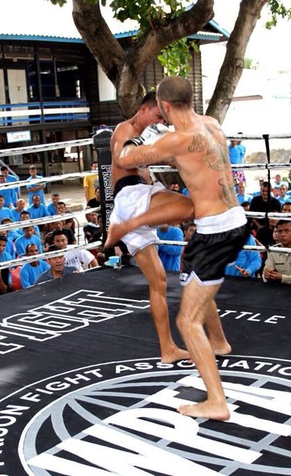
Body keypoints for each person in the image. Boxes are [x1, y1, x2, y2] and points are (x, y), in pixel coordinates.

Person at [112, 76, 249, 420]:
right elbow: (196, 163)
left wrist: (137, 132)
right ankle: (219, 343)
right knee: (193, 283)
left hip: (216, 231)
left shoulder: (176, 139)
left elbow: (125, 157)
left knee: (187, 321)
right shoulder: (212, 124)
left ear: (166, 107)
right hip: (232, 220)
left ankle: (217, 401)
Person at [101, 90, 193, 364]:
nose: (157, 121)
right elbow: (120, 159)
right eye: (156, 115)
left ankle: (167, 348)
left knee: (160, 282)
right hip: (131, 198)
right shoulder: (124, 129)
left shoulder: (148, 135)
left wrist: (169, 156)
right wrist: (159, 155)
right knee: (191, 206)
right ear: (144, 109)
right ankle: (126, 225)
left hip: (131, 203)